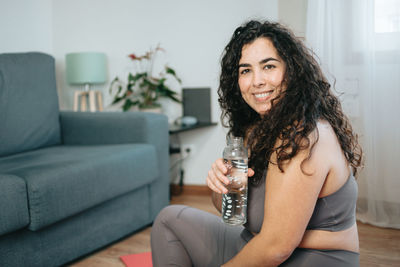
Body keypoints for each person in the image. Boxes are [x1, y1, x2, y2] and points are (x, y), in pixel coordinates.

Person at [151, 20, 363, 266]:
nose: (257, 81)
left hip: (311, 259)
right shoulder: (255, 129)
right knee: (169, 219)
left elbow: (275, 248)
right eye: (245, 70)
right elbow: (234, 213)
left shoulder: (304, 136)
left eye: (269, 66)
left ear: (292, 71)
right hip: (255, 243)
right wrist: (221, 185)